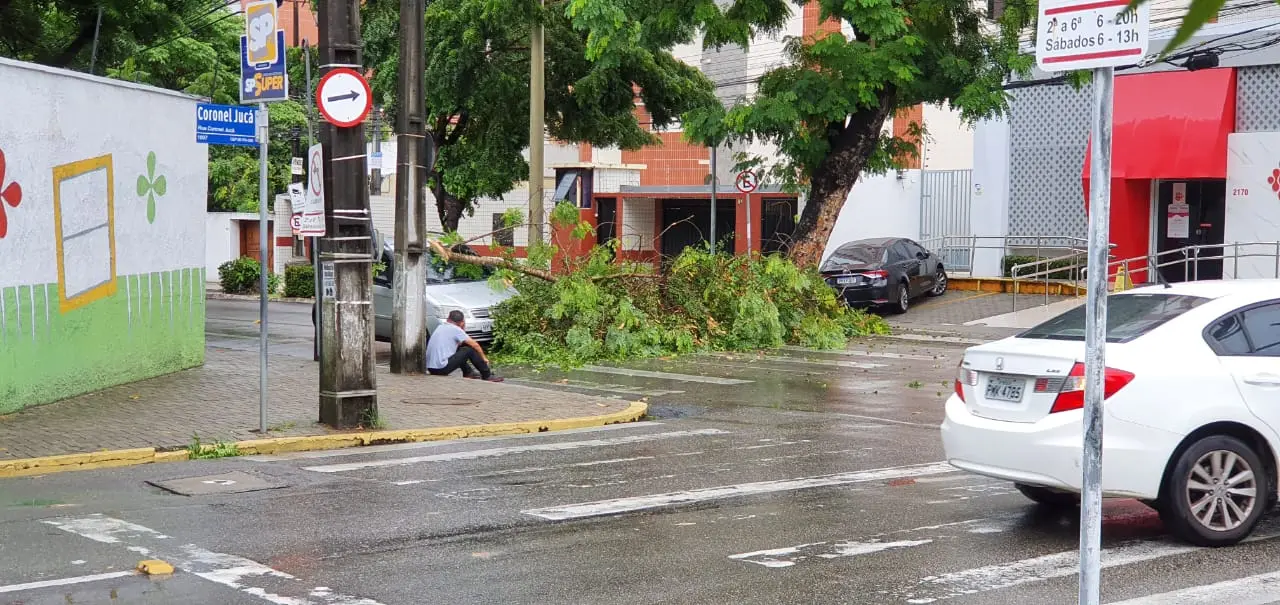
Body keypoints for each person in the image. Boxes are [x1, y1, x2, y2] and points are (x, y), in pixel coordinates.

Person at [425, 310, 503, 382]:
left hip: (431, 368)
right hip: (441, 369)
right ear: (462, 322)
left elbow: (458, 346)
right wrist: (484, 358)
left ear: (448, 319)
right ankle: (487, 375)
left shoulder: (440, 327)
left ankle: (468, 372)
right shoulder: (455, 329)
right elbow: (475, 345)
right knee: (469, 350)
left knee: (461, 349)